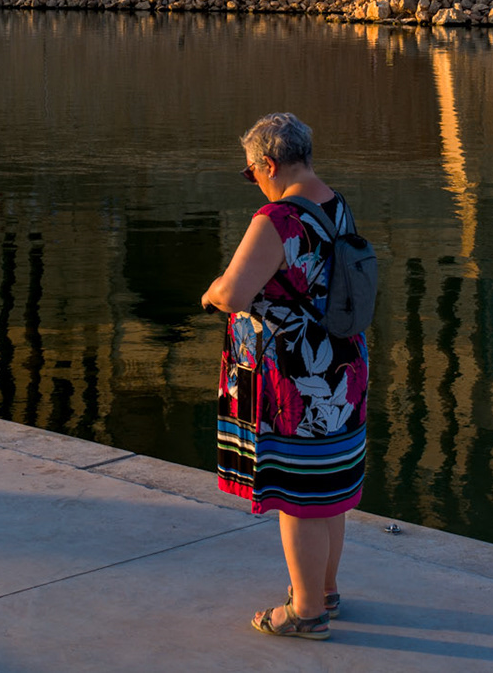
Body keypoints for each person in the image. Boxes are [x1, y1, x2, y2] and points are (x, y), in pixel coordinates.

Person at [203, 112, 367, 641]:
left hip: (295, 381)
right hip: (342, 368)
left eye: (251, 173)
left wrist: (211, 291)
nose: (255, 182)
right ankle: (326, 590)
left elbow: (234, 293)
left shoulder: (275, 220)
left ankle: (305, 611)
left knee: (297, 497)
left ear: (268, 164)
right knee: (329, 491)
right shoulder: (335, 204)